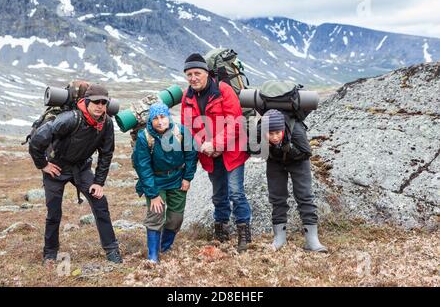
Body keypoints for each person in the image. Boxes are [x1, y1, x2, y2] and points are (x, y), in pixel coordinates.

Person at [29, 84, 123, 264]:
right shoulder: (69, 119)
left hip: (81, 168)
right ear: (86, 102)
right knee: (54, 212)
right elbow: (37, 141)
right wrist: (43, 165)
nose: (100, 106)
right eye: (96, 102)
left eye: (104, 102)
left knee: (100, 203)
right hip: (56, 168)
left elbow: (106, 153)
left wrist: (99, 182)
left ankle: (112, 250)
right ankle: (50, 253)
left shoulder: (106, 123)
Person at [180, 53, 252, 252]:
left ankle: (244, 233)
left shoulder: (223, 90)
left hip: (232, 152)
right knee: (218, 195)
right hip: (209, 154)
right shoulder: (187, 97)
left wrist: (216, 143)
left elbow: (235, 123)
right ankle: (221, 231)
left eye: (197, 73)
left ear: (206, 73)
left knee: (236, 193)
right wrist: (204, 145)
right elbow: (188, 128)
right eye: (189, 74)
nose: (193, 78)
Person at [132, 103, 198, 263]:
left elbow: (191, 155)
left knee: (176, 218)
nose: (160, 121)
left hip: (177, 178)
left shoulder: (181, 132)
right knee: (156, 215)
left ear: (168, 117)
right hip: (155, 181)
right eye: (155, 118)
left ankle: (165, 247)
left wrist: (187, 178)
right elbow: (143, 167)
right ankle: (153, 256)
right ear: (151, 121)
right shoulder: (144, 137)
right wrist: (153, 194)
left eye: (163, 117)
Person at [261, 109, 327, 252]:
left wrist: (289, 148)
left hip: (299, 161)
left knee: (304, 196)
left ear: (283, 129)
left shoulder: (296, 130)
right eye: (270, 134)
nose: (275, 137)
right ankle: (279, 238)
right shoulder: (259, 131)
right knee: (277, 197)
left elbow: (306, 153)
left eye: (277, 133)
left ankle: (312, 241)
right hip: (275, 162)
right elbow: (252, 149)